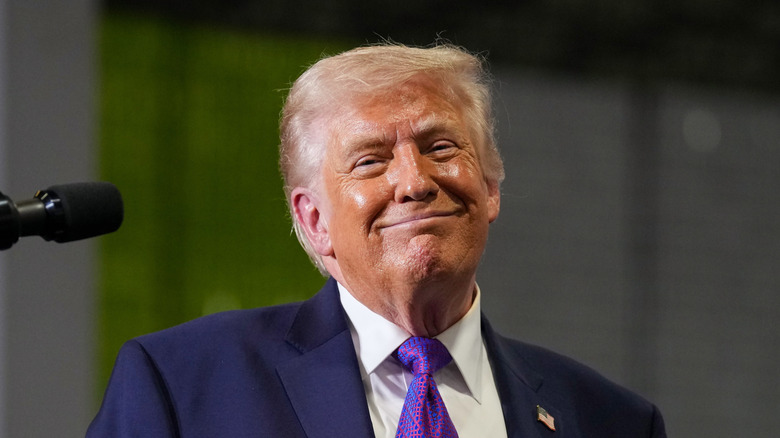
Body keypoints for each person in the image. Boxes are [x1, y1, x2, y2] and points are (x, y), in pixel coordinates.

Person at [87, 43, 666, 437]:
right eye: (370, 160)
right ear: (314, 221)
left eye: (441, 147)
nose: (415, 182)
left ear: (490, 188)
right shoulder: (182, 386)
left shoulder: (612, 421)